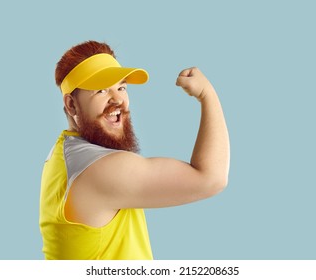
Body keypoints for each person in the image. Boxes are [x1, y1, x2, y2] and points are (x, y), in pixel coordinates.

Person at [39, 40, 230, 260]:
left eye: (121, 87)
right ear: (71, 105)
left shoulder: (62, 154)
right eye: (100, 90)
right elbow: (211, 178)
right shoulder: (99, 170)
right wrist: (208, 95)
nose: (118, 99)